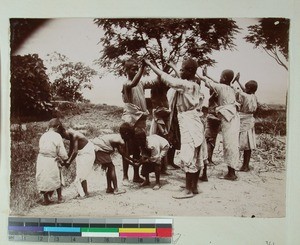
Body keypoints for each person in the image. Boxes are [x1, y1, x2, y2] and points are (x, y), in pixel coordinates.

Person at [144, 57, 206, 198]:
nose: (180, 71)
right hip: (194, 121)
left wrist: (150, 64)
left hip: (188, 122)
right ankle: (194, 186)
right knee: (196, 154)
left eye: (182, 69)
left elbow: (168, 79)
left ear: (189, 71)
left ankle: (188, 190)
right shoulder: (194, 85)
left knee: (189, 153)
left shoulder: (186, 86)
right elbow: (179, 80)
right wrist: (174, 67)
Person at [199, 68, 240, 181]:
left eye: (221, 76)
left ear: (224, 78)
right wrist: (207, 75)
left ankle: (231, 173)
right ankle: (232, 171)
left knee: (229, 145)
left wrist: (197, 74)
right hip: (233, 118)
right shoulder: (230, 88)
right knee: (231, 144)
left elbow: (209, 83)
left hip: (229, 118)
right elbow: (216, 82)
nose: (219, 78)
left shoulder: (222, 87)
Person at [121, 58, 150, 184]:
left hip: (140, 119)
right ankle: (125, 176)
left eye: (137, 68)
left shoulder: (141, 84)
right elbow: (133, 83)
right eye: (133, 69)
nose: (136, 71)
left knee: (138, 147)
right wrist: (143, 68)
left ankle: (136, 176)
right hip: (130, 120)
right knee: (127, 148)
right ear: (126, 70)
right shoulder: (126, 84)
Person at [92, 123, 138, 195]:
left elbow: (122, 154)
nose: (129, 139)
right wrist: (133, 163)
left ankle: (109, 187)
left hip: (98, 147)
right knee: (112, 167)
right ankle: (116, 189)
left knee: (109, 168)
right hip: (100, 149)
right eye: (129, 137)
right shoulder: (121, 141)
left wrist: (132, 160)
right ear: (126, 133)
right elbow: (124, 156)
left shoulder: (117, 137)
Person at [36, 118, 68, 205]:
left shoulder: (43, 135)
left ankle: (46, 199)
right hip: (51, 159)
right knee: (57, 176)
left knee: (43, 177)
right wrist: (65, 158)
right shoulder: (57, 136)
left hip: (41, 159)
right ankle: (60, 197)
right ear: (57, 127)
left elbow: (41, 147)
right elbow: (61, 150)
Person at [58, 126, 95, 199]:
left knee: (81, 175)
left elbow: (75, 152)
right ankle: (84, 192)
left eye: (64, 137)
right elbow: (70, 152)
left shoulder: (75, 135)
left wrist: (69, 162)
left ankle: (83, 194)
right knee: (80, 173)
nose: (64, 138)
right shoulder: (71, 135)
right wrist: (65, 161)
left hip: (87, 153)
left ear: (64, 132)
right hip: (82, 154)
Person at [232, 74, 258, 172]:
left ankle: (240, 165)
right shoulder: (254, 96)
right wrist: (238, 81)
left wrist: (233, 84)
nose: (244, 89)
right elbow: (245, 91)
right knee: (249, 145)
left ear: (250, 89)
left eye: (246, 87)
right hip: (250, 121)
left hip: (243, 121)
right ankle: (245, 165)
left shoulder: (244, 95)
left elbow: (239, 91)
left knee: (239, 144)